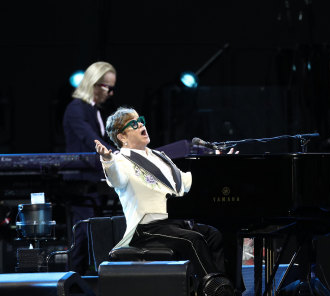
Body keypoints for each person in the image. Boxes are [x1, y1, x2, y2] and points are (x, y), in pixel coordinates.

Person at [94, 106, 232, 281]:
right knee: (193, 239)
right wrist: (107, 160)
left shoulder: (160, 156)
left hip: (177, 223)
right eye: (134, 124)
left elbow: (187, 182)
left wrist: (217, 165)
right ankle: (213, 292)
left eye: (140, 121)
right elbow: (116, 180)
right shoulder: (120, 160)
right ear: (122, 137)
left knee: (214, 235)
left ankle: (227, 289)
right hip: (147, 229)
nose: (141, 125)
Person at [63, 61, 117, 275]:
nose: (111, 93)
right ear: (94, 84)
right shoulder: (76, 109)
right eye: (108, 87)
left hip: (92, 180)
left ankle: (86, 282)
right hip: (80, 181)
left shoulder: (93, 110)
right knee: (83, 232)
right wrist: (121, 156)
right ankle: (72, 286)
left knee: (91, 231)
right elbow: (92, 141)